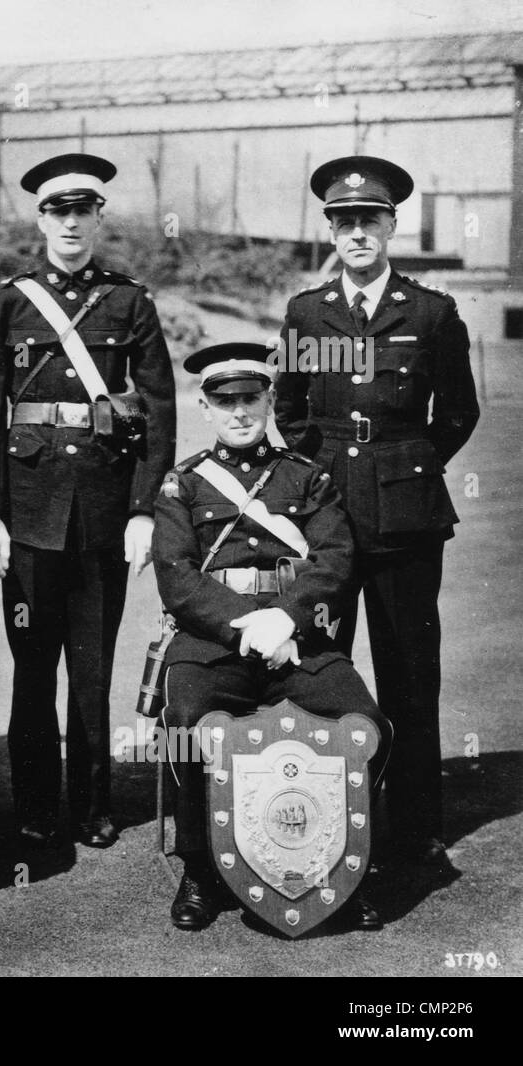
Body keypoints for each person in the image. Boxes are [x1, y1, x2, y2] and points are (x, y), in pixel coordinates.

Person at [275, 156, 479, 870]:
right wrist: (319, 475)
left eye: (370, 219)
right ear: (330, 230)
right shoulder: (306, 311)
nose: (357, 232)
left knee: (410, 672)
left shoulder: (430, 312)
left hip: (406, 518)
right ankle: (317, 817)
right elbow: (289, 409)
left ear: (392, 225)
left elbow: (458, 412)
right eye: (344, 221)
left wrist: (405, 466)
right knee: (319, 667)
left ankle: (416, 826)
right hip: (327, 515)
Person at [0, 153, 176, 849]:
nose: (70, 223)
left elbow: (158, 412)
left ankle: (92, 802)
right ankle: (33, 804)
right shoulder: (7, 304)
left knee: (92, 668)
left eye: (82, 210)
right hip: (27, 515)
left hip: (101, 513)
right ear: (40, 219)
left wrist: (145, 508)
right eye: (57, 211)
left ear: (98, 218)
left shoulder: (130, 302)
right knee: (32, 669)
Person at [154, 342, 392, 931]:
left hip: (299, 641)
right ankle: (200, 871)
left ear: (268, 402)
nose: (238, 412)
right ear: (205, 407)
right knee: (185, 721)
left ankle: (347, 869)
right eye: (224, 400)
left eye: (250, 399)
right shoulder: (182, 483)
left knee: (367, 725)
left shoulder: (307, 477)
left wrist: (286, 618)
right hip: (214, 642)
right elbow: (177, 578)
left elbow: (335, 557)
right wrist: (250, 626)